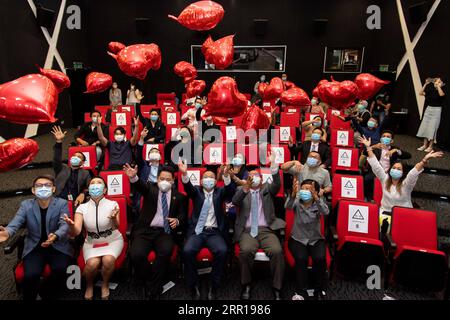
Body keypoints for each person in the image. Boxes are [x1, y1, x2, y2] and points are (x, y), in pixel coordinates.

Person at [0, 175, 72, 300]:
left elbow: (64, 225)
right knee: (31, 275)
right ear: (33, 190)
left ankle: (44, 293)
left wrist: (55, 236)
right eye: (39, 186)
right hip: (35, 247)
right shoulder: (26, 205)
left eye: (47, 185)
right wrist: (8, 232)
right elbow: (16, 222)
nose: (43, 188)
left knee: (61, 270)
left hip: (57, 245)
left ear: (53, 189)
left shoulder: (62, 203)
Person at [123, 164, 186, 299]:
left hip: (165, 231)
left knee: (165, 253)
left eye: (168, 179)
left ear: (173, 181)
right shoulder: (150, 189)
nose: (164, 181)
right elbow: (141, 186)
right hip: (145, 231)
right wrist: (133, 177)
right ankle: (152, 281)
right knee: (136, 255)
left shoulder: (179, 196)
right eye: (162, 178)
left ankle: (152, 288)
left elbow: (182, 215)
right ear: (157, 180)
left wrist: (177, 221)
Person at [360, 136, 443, 233]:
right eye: (394, 168)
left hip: (404, 216)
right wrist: (368, 147)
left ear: (403, 173)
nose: (395, 170)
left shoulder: (406, 184)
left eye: (399, 169)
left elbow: (414, 172)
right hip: (384, 214)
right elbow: (376, 165)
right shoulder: (385, 179)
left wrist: (424, 160)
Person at [232, 154, 285, 300]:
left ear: (261, 179)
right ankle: (246, 284)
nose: (253, 177)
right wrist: (245, 188)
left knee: (277, 251)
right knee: (246, 251)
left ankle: (277, 288)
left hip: (266, 230)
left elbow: (277, 184)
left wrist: (274, 165)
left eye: (256, 175)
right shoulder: (241, 190)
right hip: (247, 231)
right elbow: (235, 202)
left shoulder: (267, 189)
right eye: (251, 175)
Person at [179, 161, 234, 300]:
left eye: (212, 177)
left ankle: (214, 285)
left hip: (214, 232)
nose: (208, 179)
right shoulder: (196, 191)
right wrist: (185, 173)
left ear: (216, 181)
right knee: (187, 251)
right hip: (198, 231)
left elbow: (230, 191)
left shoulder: (220, 191)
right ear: (202, 181)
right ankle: (193, 284)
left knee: (222, 251)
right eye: (206, 177)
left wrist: (226, 175)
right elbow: (188, 187)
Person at [62, 177, 124, 300]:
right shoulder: (82, 208)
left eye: (99, 183)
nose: (95, 185)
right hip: (92, 242)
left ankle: (105, 284)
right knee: (91, 264)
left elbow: (117, 226)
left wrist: (113, 218)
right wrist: (71, 226)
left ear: (105, 189)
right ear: (89, 189)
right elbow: (77, 232)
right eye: (92, 183)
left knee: (108, 260)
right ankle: (89, 285)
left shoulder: (113, 204)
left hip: (112, 240)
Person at [286, 179, 329, 300]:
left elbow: (325, 212)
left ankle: (318, 290)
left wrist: (317, 198)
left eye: (308, 189)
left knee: (319, 258)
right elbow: (287, 206)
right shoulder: (297, 202)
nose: (305, 191)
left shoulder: (319, 203)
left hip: (315, 239)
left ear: (314, 191)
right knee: (301, 258)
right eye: (303, 188)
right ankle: (301, 291)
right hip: (297, 239)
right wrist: (293, 194)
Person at [361, 130, 411, 199]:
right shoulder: (376, 147)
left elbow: (408, 156)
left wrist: (396, 150)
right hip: (376, 171)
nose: (385, 138)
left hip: (389, 173)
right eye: (383, 136)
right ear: (380, 139)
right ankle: (368, 197)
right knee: (367, 179)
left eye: (388, 137)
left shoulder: (394, 149)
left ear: (391, 141)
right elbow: (364, 153)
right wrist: (373, 146)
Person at [51, 126, 91, 208]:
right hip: (57, 200)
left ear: (82, 163)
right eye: (74, 156)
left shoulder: (85, 173)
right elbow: (56, 158)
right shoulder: (62, 167)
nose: (75, 157)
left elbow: (89, 187)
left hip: (75, 203)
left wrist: (83, 194)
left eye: (79, 157)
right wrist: (59, 141)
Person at [417, 77, 446, 152]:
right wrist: (425, 84)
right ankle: (424, 145)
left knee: (433, 128)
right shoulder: (430, 91)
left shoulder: (442, 90)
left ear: (442, 84)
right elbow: (420, 93)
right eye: (436, 82)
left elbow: (441, 95)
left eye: (439, 82)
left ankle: (430, 146)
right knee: (425, 127)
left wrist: (439, 86)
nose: (437, 83)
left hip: (436, 110)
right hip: (428, 109)